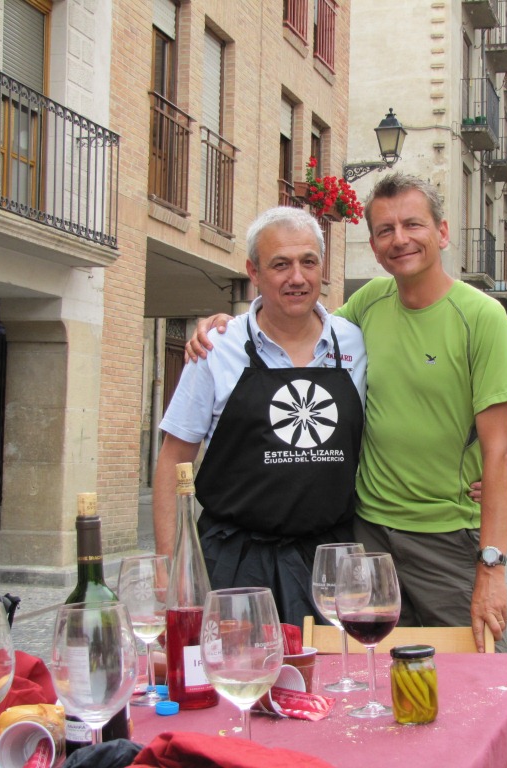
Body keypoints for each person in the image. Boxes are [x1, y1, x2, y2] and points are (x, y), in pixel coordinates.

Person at [188, 175, 507, 652]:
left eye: (413, 224)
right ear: (374, 245)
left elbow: (502, 450)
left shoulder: (481, 317)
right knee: (371, 677)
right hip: (364, 539)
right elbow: (296, 324)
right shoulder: (365, 308)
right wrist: (226, 326)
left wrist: (491, 568)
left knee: (474, 673)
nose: (400, 239)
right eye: (386, 230)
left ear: (442, 232)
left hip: (446, 537)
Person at [154, 206, 367, 628]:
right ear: (253, 271)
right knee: (236, 686)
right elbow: (171, 459)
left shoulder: (356, 341)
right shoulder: (216, 347)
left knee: (333, 685)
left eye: (308, 262)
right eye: (280, 264)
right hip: (234, 567)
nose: (297, 278)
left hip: (331, 564)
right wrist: (171, 570)